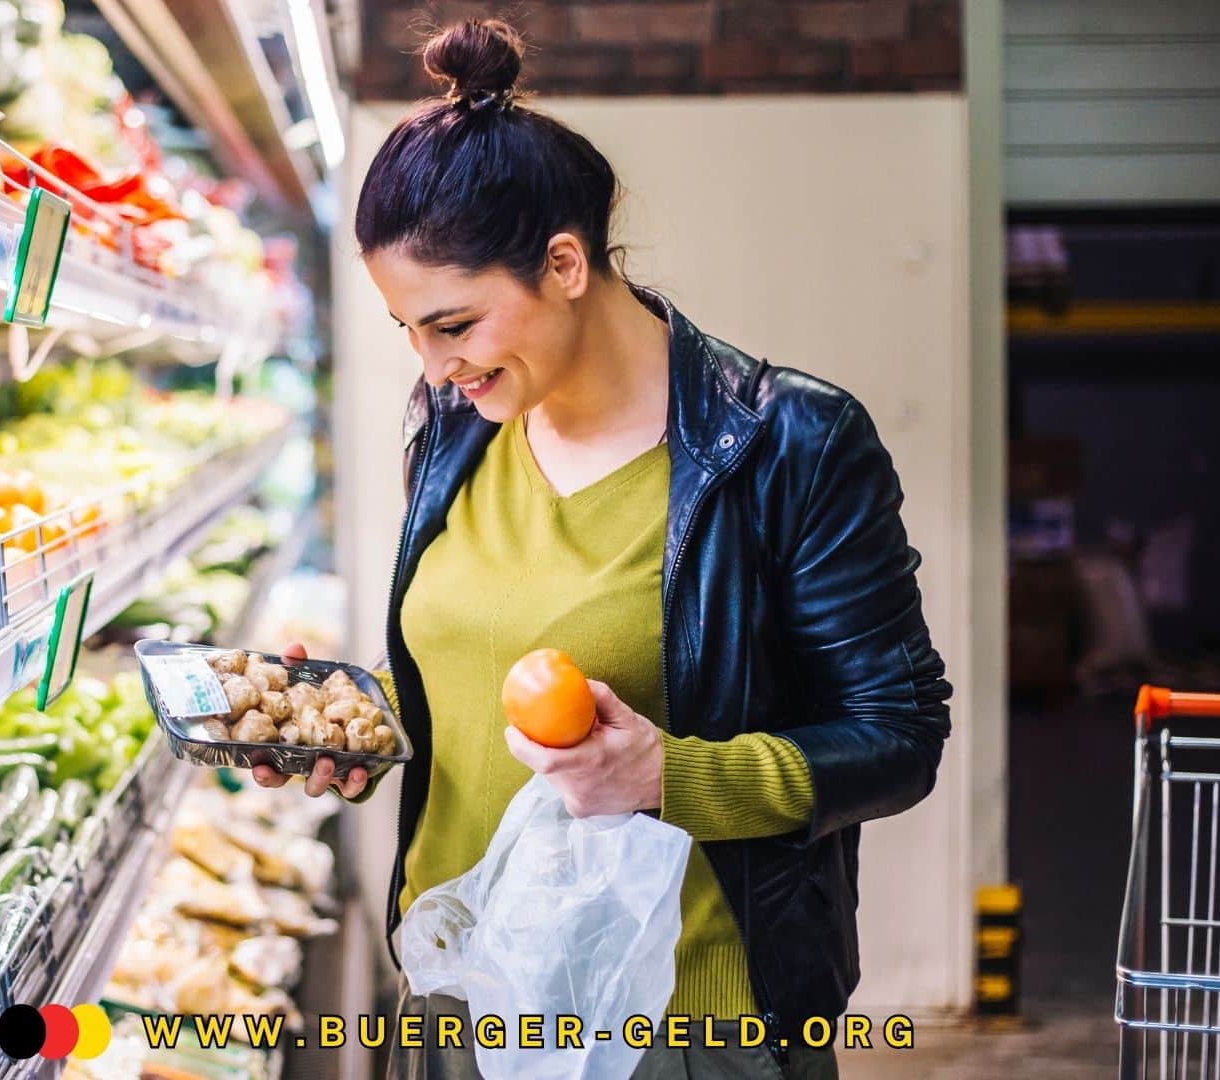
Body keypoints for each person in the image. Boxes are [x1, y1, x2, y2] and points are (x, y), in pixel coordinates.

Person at [250, 17, 952, 1080]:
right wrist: (357, 730)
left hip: (677, 1019)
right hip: (455, 989)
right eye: (408, 332)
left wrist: (668, 775)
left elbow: (898, 736)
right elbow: (485, 668)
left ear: (566, 264)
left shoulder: (788, 443)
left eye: (455, 325)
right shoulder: (451, 430)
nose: (435, 366)